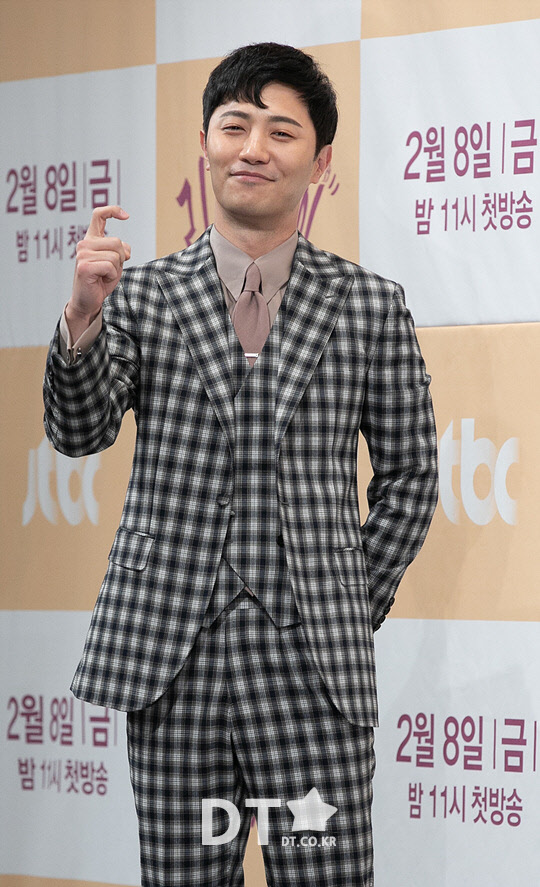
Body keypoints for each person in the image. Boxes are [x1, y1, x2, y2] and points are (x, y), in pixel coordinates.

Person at [43, 42, 438, 887]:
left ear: (320, 162)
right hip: (169, 655)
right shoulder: (140, 294)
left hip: (314, 672)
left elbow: (411, 475)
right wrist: (81, 319)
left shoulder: (369, 305)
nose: (253, 148)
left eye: (281, 132)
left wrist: (342, 597)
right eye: (235, 126)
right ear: (205, 144)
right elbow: (79, 433)